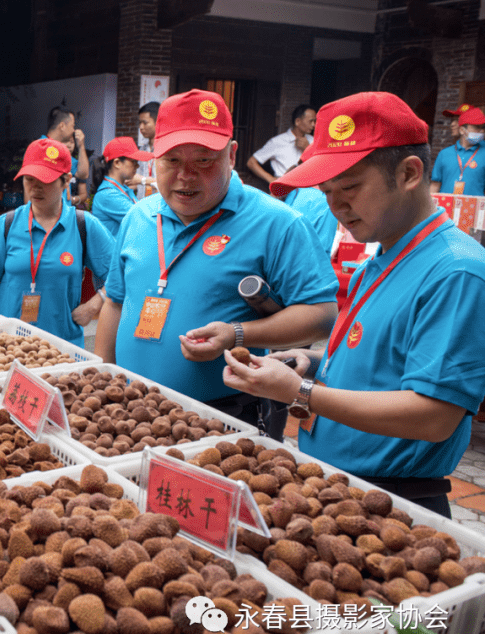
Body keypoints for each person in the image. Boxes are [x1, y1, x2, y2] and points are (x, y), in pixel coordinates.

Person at [228, 92, 485, 518]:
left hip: (393, 504)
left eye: (349, 187)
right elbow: (383, 362)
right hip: (338, 486)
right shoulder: (379, 259)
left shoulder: (455, 272)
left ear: (409, 173)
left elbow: (433, 415)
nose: (336, 206)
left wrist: (301, 393)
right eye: (327, 191)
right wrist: (313, 362)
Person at [92, 89, 338, 434]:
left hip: (221, 420)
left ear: (232, 155)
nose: (186, 175)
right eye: (172, 160)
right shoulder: (138, 216)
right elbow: (116, 302)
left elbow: (322, 315)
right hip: (130, 412)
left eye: (204, 160)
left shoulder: (277, 223)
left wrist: (238, 333)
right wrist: (103, 380)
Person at [0, 139, 114, 347]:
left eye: (45, 180)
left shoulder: (84, 225)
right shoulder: (6, 225)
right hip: (10, 345)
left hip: (63, 348)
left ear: (66, 181)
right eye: (29, 179)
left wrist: (95, 305)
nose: (35, 188)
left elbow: (122, 274)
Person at [90, 137, 154, 234]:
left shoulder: (122, 189)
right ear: (117, 163)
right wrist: (148, 181)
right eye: (133, 161)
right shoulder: (109, 195)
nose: (137, 166)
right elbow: (145, 220)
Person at [246, 104, 317, 185]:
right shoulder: (277, 142)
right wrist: (271, 179)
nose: (313, 125)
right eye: (311, 121)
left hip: (307, 187)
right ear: (297, 121)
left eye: (314, 121)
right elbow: (251, 162)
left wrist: (307, 149)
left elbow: (319, 166)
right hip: (284, 189)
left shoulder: (312, 141)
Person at [431, 106, 485, 196]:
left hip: (474, 208)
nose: (481, 131)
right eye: (477, 127)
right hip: (446, 207)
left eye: (483, 127)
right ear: (462, 130)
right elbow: (435, 185)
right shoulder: (444, 154)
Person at [44, 107, 88, 204]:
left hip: (63, 212)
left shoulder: (61, 151)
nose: (74, 130)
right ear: (62, 126)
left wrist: (81, 146)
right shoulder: (40, 147)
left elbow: (83, 174)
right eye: (72, 126)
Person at [130, 102, 160, 195]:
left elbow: (167, 183)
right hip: (142, 204)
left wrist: (143, 180)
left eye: (145, 123)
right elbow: (136, 183)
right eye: (140, 123)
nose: (141, 127)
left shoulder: (167, 150)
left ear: (158, 122)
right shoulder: (141, 150)